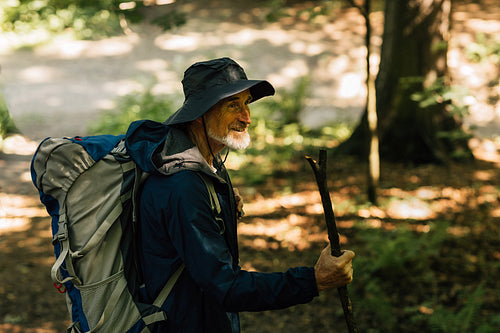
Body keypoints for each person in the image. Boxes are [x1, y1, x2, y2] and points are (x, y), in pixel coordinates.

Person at [124, 57, 355, 332]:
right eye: (233, 105)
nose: (247, 117)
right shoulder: (182, 185)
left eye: (246, 104)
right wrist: (314, 279)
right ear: (200, 113)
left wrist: (220, 204)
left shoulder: (206, 165)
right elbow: (227, 287)